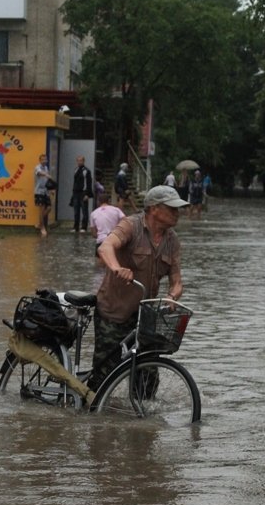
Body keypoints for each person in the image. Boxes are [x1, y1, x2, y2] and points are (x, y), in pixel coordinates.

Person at [86, 185, 189, 393]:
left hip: (145, 316)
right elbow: (105, 247)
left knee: (148, 377)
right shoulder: (131, 225)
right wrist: (117, 268)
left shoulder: (172, 241)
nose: (177, 213)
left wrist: (172, 296)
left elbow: (177, 282)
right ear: (154, 209)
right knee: (104, 377)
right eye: (172, 208)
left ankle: (140, 412)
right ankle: (95, 410)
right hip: (113, 312)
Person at [90, 191, 126, 263]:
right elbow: (125, 222)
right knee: (116, 264)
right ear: (109, 201)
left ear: (98, 202)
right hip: (115, 240)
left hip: (101, 242)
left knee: (99, 266)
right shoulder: (116, 210)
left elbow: (94, 234)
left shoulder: (93, 213)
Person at [71, 155, 93, 233]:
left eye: (81, 161)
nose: (79, 162)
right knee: (76, 211)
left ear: (83, 161)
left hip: (83, 192)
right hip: (76, 192)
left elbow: (89, 183)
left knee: (84, 210)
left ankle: (84, 227)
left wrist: (87, 194)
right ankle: (76, 227)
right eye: (78, 161)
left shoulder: (86, 171)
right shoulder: (76, 170)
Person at [34, 153, 52, 237]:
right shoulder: (38, 167)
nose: (44, 161)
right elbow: (39, 173)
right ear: (40, 160)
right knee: (41, 209)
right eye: (43, 160)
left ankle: (39, 223)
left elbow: (46, 180)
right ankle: (42, 227)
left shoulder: (46, 168)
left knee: (49, 208)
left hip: (46, 191)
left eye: (45, 159)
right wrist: (45, 174)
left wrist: (50, 189)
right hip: (39, 191)